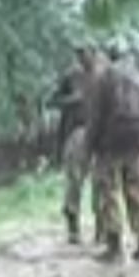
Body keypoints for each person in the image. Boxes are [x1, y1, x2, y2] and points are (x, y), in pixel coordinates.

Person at [86, 46, 139, 263]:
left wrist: (90, 144)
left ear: (109, 56)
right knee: (138, 191)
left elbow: (96, 115)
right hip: (136, 142)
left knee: (109, 193)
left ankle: (114, 246)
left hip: (110, 144)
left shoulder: (104, 77)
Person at [47, 45, 105, 244]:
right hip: (77, 132)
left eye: (84, 52)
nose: (81, 57)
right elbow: (52, 101)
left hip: (100, 134)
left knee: (101, 182)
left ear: (94, 53)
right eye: (78, 53)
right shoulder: (71, 76)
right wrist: (71, 100)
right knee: (74, 181)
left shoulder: (104, 76)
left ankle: (102, 228)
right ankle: (73, 228)